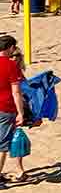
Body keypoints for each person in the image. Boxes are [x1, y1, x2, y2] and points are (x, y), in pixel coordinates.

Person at [0, 34, 27, 184]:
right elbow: (16, 92)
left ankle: (18, 170)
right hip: (5, 108)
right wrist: (21, 113)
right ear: (10, 48)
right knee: (2, 145)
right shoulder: (10, 66)